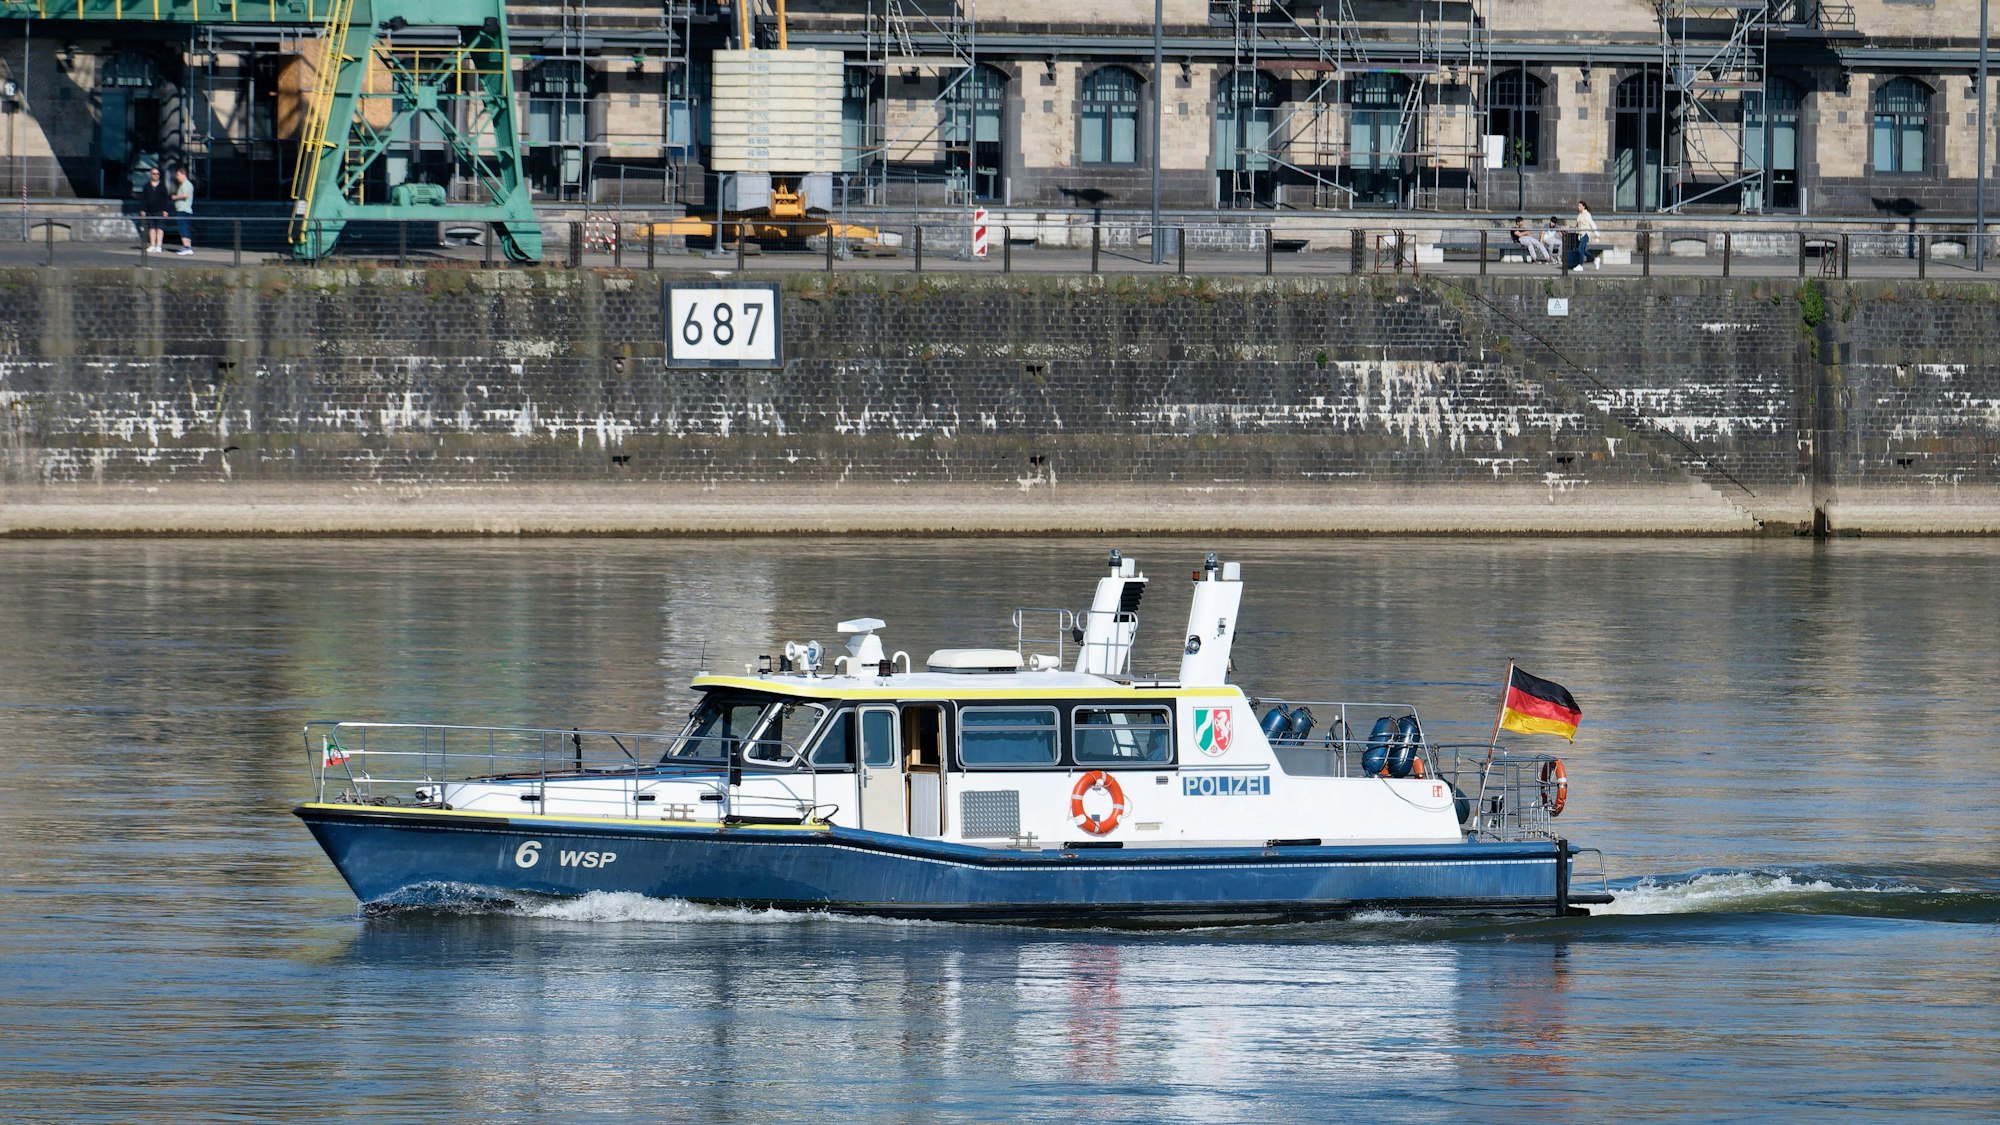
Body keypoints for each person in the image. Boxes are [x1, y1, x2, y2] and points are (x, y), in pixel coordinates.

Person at [138, 167, 171, 254]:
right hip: (150, 210)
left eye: (157, 174)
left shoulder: (162, 186)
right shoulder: (147, 186)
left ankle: (159, 245)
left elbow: (166, 199)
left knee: (160, 228)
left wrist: (166, 210)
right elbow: (144, 199)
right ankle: (152, 245)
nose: (156, 175)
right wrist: (143, 209)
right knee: (151, 228)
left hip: (160, 210)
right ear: (151, 175)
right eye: (154, 173)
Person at [1568, 199, 1600, 272]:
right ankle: (1595, 259)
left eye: (1580, 206)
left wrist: (1597, 234)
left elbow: (1592, 224)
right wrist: (1572, 227)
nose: (1578, 207)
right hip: (1580, 234)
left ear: (1584, 207)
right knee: (1583, 250)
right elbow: (1577, 224)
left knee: (1580, 248)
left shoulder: (1587, 214)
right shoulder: (1579, 215)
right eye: (1578, 206)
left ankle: (1581, 265)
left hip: (1586, 233)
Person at [170, 167, 195, 255]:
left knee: (183, 228)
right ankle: (188, 246)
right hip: (185, 210)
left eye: (178, 175)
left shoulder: (186, 184)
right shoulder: (186, 184)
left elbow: (185, 195)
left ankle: (186, 247)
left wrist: (175, 197)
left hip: (183, 210)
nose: (177, 177)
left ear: (183, 174)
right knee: (186, 228)